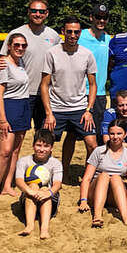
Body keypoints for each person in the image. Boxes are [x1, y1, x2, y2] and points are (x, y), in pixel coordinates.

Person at [40, 16, 98, 178]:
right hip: (56, 109)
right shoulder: (52, 53)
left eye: (76, 32)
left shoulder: (87, 54)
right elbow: (44, 85)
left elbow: (93, 85)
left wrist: (89, 110)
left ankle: (88, 178)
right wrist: (49, 113)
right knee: (44, 145)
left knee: (92, 144)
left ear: (80, 33)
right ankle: (48, 175)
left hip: (79, 108)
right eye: (70, 31)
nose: (73, 35)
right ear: (63, 32)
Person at [0, 0, 61, 131]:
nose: (38, 14)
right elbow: (2, 60)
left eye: (41, 11)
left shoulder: (53, 35)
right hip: (22, 94)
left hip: (46, 94)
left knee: (44, 135)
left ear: (47, 13)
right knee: (17, 134)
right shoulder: (16, 33)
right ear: (28, 12)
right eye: (34, 10)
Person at [0, 33, 31, 201]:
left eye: (23, 45)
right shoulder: (2, 64)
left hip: (23, 106)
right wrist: (3, 120)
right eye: (16, 45)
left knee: (15, 151)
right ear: (9, 46)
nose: (20, 48)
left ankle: (7, 185)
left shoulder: (21, 63)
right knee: (4, 151)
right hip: (8, 107)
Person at [78, 118, 127, 227]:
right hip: (95, 191)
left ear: (125, 134)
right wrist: (83, 200)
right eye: (112, 133)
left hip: (115, 193)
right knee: (104, 175)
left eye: (119, 133)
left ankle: (125, 216)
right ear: (108, 134)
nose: (115, 137)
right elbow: (87, 178)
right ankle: (97, 216)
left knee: (116, 177)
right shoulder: (99, 151)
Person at [14, 129, 63, 239]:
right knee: (33, 185)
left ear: (51, 148)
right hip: (29, 199)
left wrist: (48, 193)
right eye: (38, 145)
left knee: (45, 188)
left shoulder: (56, 163)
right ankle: (29, 225)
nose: (41, 149)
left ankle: (44, 230)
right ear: (33, 145)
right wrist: (30, 191)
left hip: (49, 201)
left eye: (46, 146)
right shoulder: (24, 161)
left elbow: (57, 184)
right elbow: (19, 181)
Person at [77, 3, 112, 144]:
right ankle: (65, 167)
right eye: (98, 17)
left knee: (97, 135)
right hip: (78, 92)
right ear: (91, 17)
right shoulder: (79, 35)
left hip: (99, 93)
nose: (101, 21)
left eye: (105, 18)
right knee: (73, 135)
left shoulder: (108, 40)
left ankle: (93, 166)